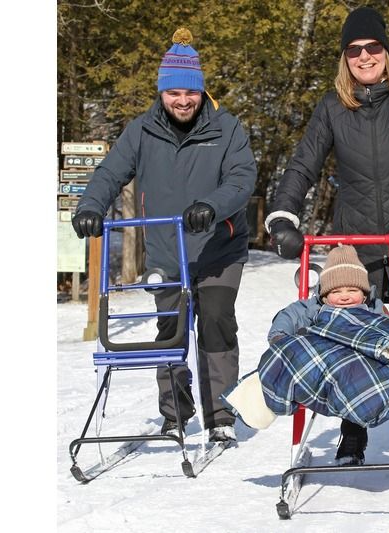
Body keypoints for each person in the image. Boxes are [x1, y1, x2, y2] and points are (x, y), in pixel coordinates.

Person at [265, 7, 389, 470]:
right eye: (355, 50)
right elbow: (303, 166)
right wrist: (281, 217)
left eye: (373, 47)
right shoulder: (333, 108)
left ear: (386, 52)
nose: (365, 56)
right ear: (345, 58)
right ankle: (352, 436)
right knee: (350, 336)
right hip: (357, 246)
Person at [72, 28, 257, 443]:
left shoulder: (227, 128)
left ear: (201, 90)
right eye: (173, 93)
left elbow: (243, 179)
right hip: (167, 249)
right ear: (161, 93)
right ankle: (175, 412)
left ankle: (222, 414)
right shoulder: (141, 131)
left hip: (218, 248)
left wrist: (212, 206)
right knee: (170, 329)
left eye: (189, 93)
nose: (183, 101)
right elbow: (110, 173)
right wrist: (89, 206)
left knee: (215, 322)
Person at [222, 245, 389, 467]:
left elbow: (386, 333)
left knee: (363, 377)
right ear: (325, 295)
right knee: (291, 353)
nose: (345, 297)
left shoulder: (372, 309)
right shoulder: (315, 308)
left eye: (352, 290)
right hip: (322, 373)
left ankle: (353, 438)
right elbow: (289, 315)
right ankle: (260, 399)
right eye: (336, 292)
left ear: (364, 292)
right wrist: (281, 338)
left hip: (359, 376)